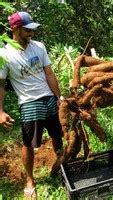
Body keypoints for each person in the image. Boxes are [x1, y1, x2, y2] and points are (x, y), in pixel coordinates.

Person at [0, 11, 63, 198]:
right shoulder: (4, 54)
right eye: (27, 30)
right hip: (29, 102)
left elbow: (49, 74)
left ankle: (61, 163)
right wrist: (0, 111)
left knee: (57, 134)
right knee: (29, 143)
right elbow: (1, 84)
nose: (31, 34)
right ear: (16, 29)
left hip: (49, 98)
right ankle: (30, 179)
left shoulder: (39, 47)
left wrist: (59, 97)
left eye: (32, 30)